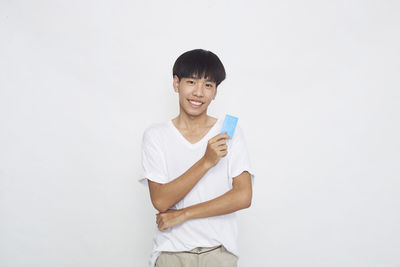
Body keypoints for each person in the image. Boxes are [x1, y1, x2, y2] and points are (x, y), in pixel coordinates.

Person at [139, 49, 255, 267]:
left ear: (215, 92)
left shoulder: (229, 131)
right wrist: (206, 162)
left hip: (219, 253)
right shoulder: (156, 136)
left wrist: (183, 215)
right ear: (176, 84)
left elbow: (243, 196)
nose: (199, 92)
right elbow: (161, 201)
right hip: (171, 254)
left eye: (208, 85)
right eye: (191, 82)